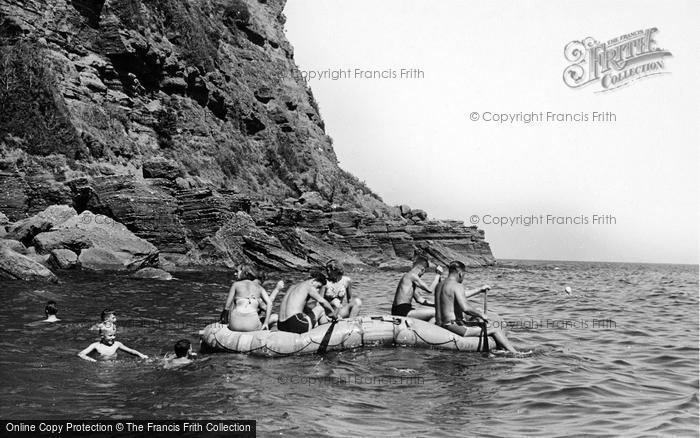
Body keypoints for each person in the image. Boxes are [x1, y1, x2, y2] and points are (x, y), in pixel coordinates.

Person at [435, 261, 520, 353]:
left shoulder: (440, 285)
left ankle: (500, 349)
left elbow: (457, 296)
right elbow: (465, 308)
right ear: (460, 273)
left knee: (478, 324)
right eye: (464, 275)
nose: (463, 277)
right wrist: (481, 314)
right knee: (495, 328)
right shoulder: (457, 286)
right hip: (453, 326)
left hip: (441, 324)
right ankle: (516, 353)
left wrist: (479, 289)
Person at [222, 265, 283, 331]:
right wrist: (277, 289)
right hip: (252, 325)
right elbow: (269, 304)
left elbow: (226, 307)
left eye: (237, 271)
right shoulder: (259, 288)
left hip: (234, 325)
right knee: (276, 317)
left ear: (245, 273)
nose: (235, 274)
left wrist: (224, 322)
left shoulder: (236, 284)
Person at [391, 256, 442, 321]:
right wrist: (438, 275)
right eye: (424, 272)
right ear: (423, 269)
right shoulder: (412, 275)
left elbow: (419, 299)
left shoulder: (408, 279)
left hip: (400, 310)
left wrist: (435, 305)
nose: (423, 274)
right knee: (436, 313)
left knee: (434, 314)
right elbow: (430, 290)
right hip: (402, 311)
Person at [78, 326, 148, 362]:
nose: (113, 337)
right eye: (110, 335)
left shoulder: (117, 344)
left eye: (114, 335)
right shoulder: (96, 345)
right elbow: (81, 354)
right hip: (100, 366)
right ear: (102, 336)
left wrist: (141, 355)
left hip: (113, 365)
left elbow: (131, 351)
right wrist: (92, 360)